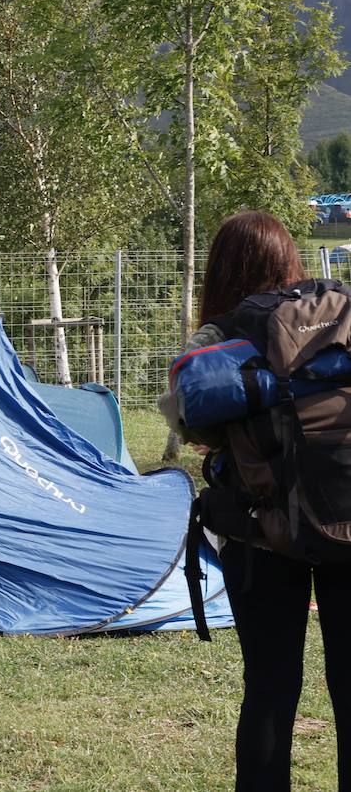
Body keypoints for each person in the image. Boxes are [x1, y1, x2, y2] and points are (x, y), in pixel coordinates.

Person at [159, 210, 351, 792]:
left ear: (221, 269)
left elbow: (191, 422)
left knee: (269, 686)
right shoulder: (339, 316)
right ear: (289, 259)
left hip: (259, 529)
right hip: (348, 520)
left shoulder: (219, 335)